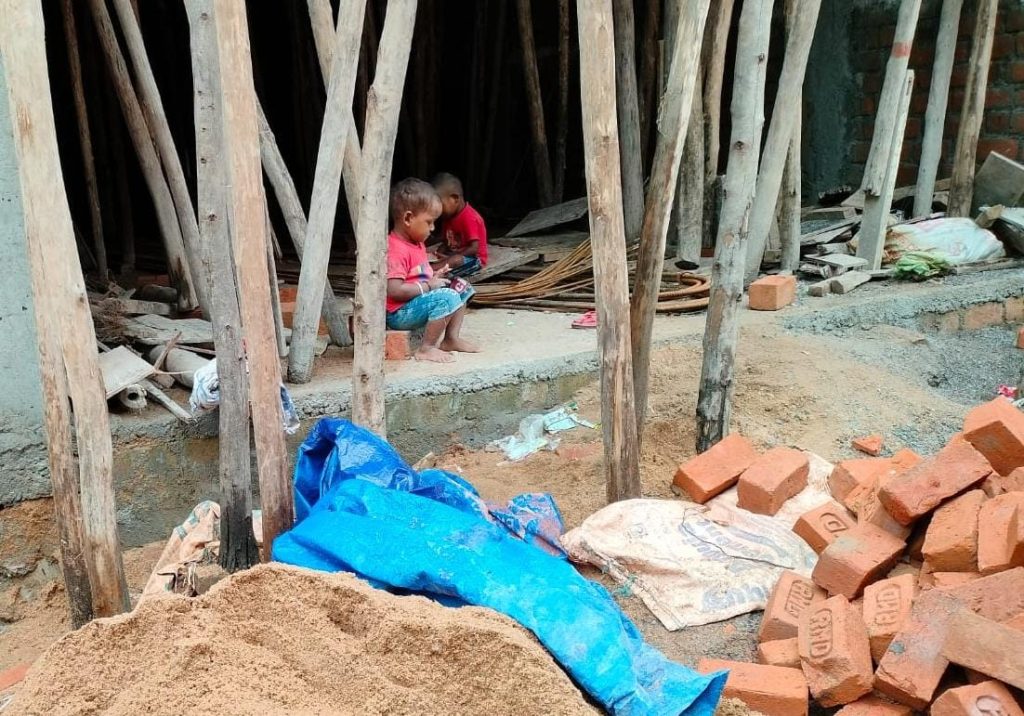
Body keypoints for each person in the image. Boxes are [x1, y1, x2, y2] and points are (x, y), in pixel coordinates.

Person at [386, 178, 479, 363]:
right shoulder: (395, 249)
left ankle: (450, 339)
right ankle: (426, 348)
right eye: (429, 222)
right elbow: (394, 290)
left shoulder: (418, 244)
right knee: (447, 297)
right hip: (399, 313)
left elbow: (417, 277)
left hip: (416, 302)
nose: (433, 228)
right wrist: (429, 286)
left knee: (461, 287)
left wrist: (435, 276)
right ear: (408, 218)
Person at [431, 172, 488, 278]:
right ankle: (435, 268)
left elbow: (474, 248)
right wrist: (437, 254)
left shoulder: (469, 217)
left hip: (473, 259)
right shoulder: (447, 217)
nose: (437, 209)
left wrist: (450, 256)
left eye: (440, 204)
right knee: (433, 254)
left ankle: (429, 270)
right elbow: (446, 243)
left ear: (455, 198)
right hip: (454, 255)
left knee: (456, 260)